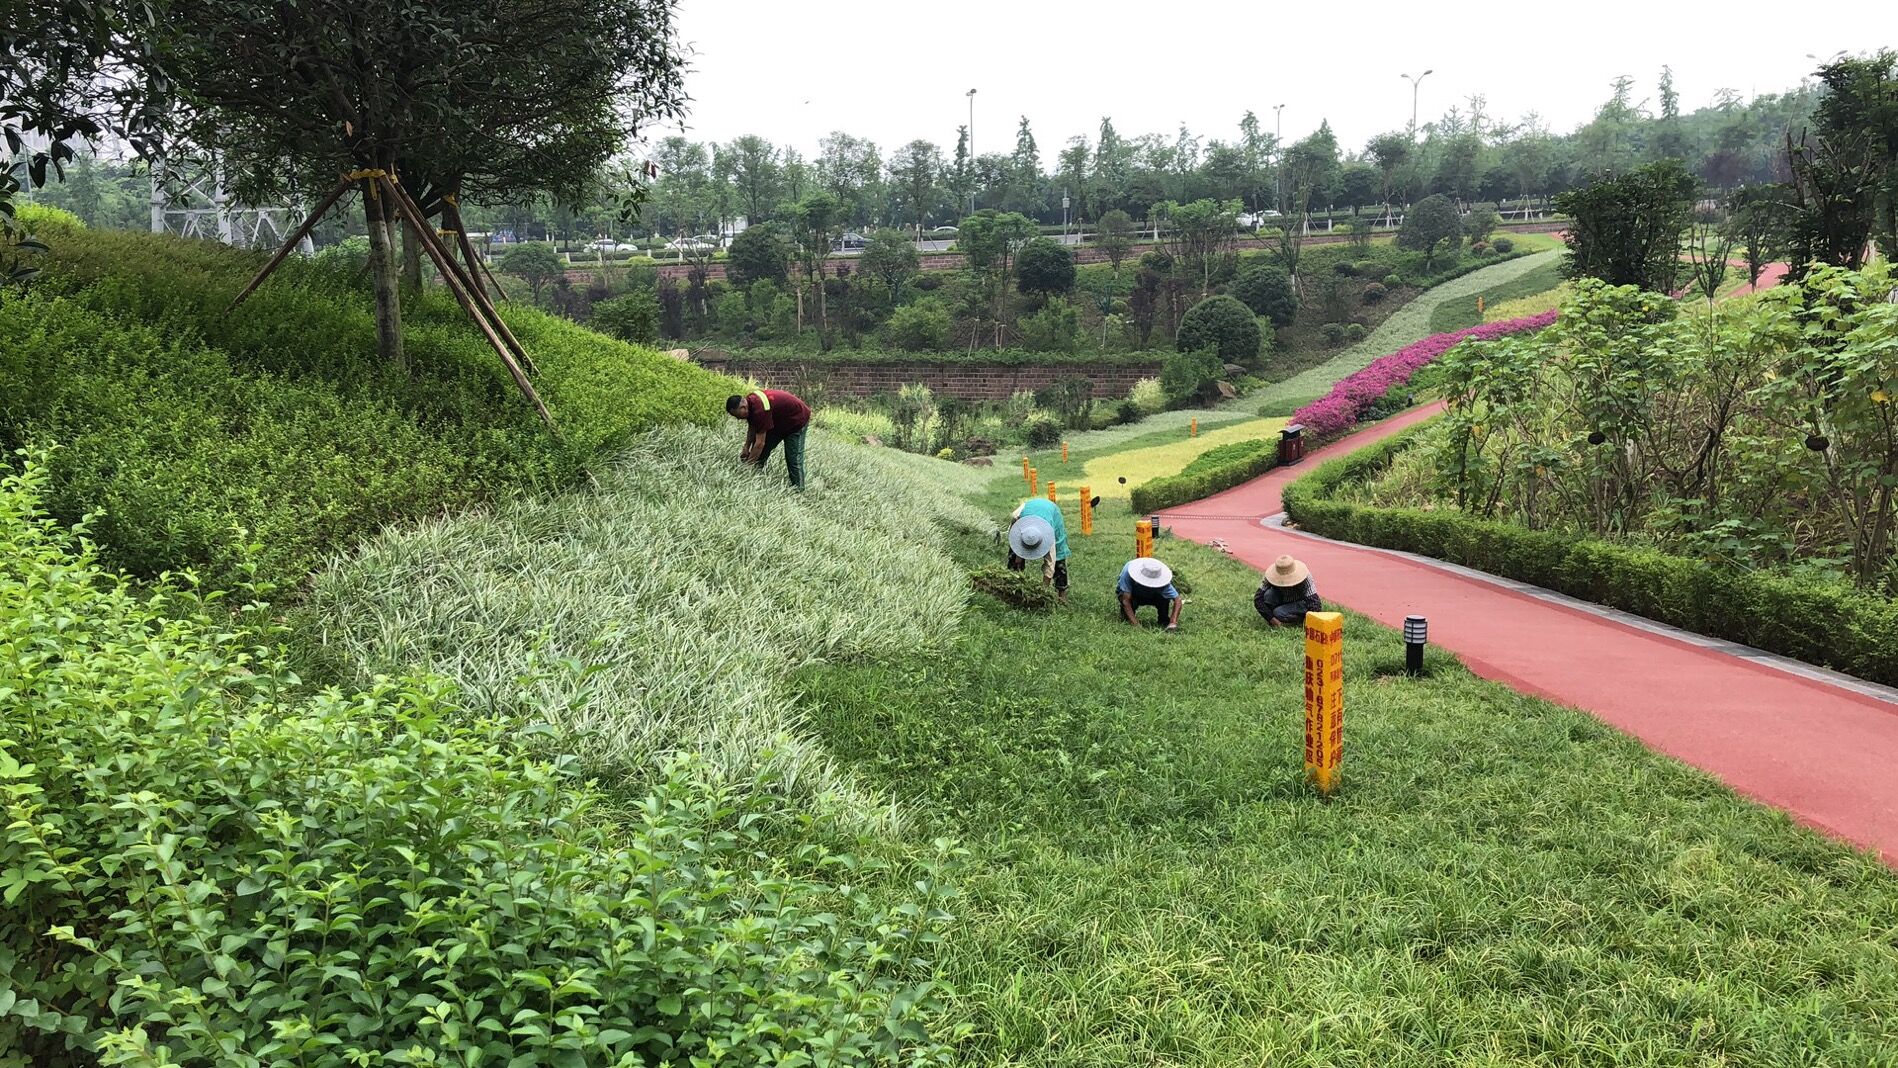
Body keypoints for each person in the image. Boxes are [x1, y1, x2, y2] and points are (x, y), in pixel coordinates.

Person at [726, 388, 811, 489]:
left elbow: (759, 444)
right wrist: (746, 447)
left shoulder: (760, 409)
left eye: (736, 415)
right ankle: (755, 480)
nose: (738, 419)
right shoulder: (749, 403)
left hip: (796, 421)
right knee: (760, 454)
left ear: (743, 407)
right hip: (778, 422)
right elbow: (753, 426)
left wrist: (747, 468)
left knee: (793, 458)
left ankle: (798, 489)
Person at [1007, 497, 1071, 601]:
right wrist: (1017, 557)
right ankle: (1012, 584)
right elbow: (1014, 538)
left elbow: (1050, 565)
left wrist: (1042, 592)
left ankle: (1061, 593)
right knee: (1013, 557)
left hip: (1051, 512)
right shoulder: (1017, 518)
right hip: (1030, 507)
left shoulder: (1049, 536)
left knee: (1059, 558)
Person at [1255, 554, 1322, 627]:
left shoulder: (1306, 577)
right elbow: (1258, 599)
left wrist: (1308, 621)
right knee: (1268, 595)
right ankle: (1276, 615)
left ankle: (1298, 619)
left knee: (1278, 613)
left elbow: (1315, 603)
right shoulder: (1269, 577)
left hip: (1300, 602)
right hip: (1282, 599)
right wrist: (1271, 619)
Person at [1117, 556, 1181, 631]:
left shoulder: (1162, 582)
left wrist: (1173, 622)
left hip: (1152, 595)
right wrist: (1136, 624)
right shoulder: (1127, 572)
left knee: (1164, 598)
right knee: (1126, 616)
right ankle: (1128, 617)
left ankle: (1163, 619)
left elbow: (1178, 600)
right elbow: (1125, 600)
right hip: (1133, 595)